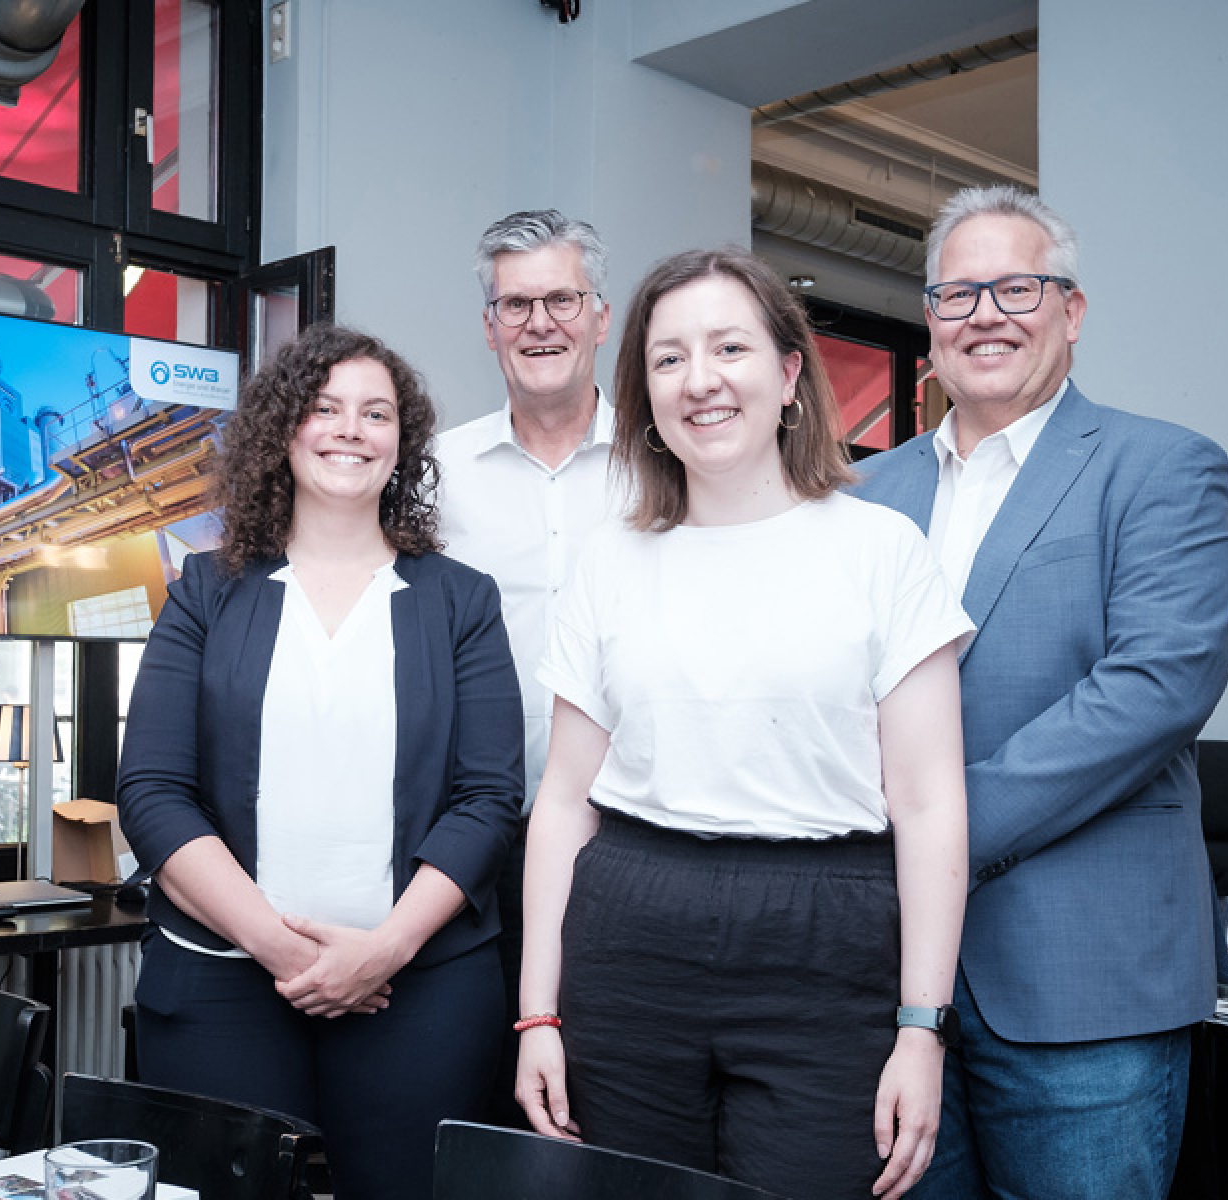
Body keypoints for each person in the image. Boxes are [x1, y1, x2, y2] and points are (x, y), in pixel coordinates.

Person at [516, 247, 971, 1200]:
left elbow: (928, 807)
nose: (701, 380)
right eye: (669, 357)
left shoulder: (881, 549)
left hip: (826, 938)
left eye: (730, 347)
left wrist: (921, 1029)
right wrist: (537, 1018)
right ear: (642, 388)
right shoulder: (610, 561)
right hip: (631, 937)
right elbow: (562, 803)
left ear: (790, 373)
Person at [856, 185, 1228, 1198]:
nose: (984, 313)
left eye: (1013, 287)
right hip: (883, 976)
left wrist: (935, 832)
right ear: (929, 325)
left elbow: (1153, 688)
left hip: (1083, 981)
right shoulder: (860, 494)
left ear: (1068, 312)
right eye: (956, 294)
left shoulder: (1160, 466)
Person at [116, 323, 524, 1200]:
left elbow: (489, 798)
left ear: (401, 445)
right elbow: (152, 793)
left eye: (376, 413)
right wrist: (279, 947)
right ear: (283, 429)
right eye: (326, 407)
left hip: (420, 988)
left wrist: (382, 951)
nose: (351, 429)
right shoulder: (206, 588)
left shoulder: (460, 602)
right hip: (222, 982)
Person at [433, 209, 620, 1125]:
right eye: (516, 303)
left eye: (561, 299)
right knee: (477, 1102)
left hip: (625, 841)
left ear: (601, 315)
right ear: (488, 325)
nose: (539, 321)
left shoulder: (666, 466)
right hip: (472, 841)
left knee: (609, 1102)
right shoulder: (432, 475)